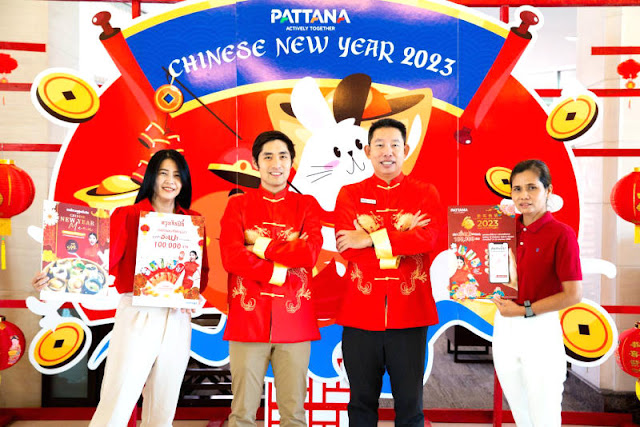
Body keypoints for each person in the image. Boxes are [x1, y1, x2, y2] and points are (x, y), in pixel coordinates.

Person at [32, 149, 209, 426]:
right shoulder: (128, 214)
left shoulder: (192, 220)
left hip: (177, 317)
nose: (170, 181)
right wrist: (55, 275)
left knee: (165, 400)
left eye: (177, 175)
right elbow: (100, 262)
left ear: (184, 181)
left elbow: (202, 272)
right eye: (163, 173)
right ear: (151, 177)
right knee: (120, 393)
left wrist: (191, 295)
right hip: (138, 312)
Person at [334, 118, 443, 427]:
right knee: (360, 404)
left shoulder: (425, 192)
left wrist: (369, 238)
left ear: (406, 150)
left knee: (410, 405)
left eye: (395, 145)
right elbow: (348, 248)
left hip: (410, 313)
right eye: (379, 145)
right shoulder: (349, 194)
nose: (387, 152)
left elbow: (426, 241)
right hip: (360, 313)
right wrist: (402, 237)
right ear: (368, 151)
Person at [219, 130, 323, 427]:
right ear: (256, 163)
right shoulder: (237, 205)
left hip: (295, 321)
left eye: (283, 156)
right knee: (241, 414)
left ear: (291, 163)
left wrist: (259, 246)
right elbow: (231, 257)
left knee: (294, 414)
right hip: (248, 320)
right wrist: (281, 265)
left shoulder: (307, 205)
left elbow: (309, 254)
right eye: (268, 157)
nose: (276, 163)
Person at [491, 159, 582, 427]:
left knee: (544, 414)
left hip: (540, 327)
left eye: (532, 187)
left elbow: (573, 295)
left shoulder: (561, 234)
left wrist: (524, 310)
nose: (524, 196)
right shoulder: (504, 231)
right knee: (520, 412)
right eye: (517, 189)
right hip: (505, 327)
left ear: (548, 190)